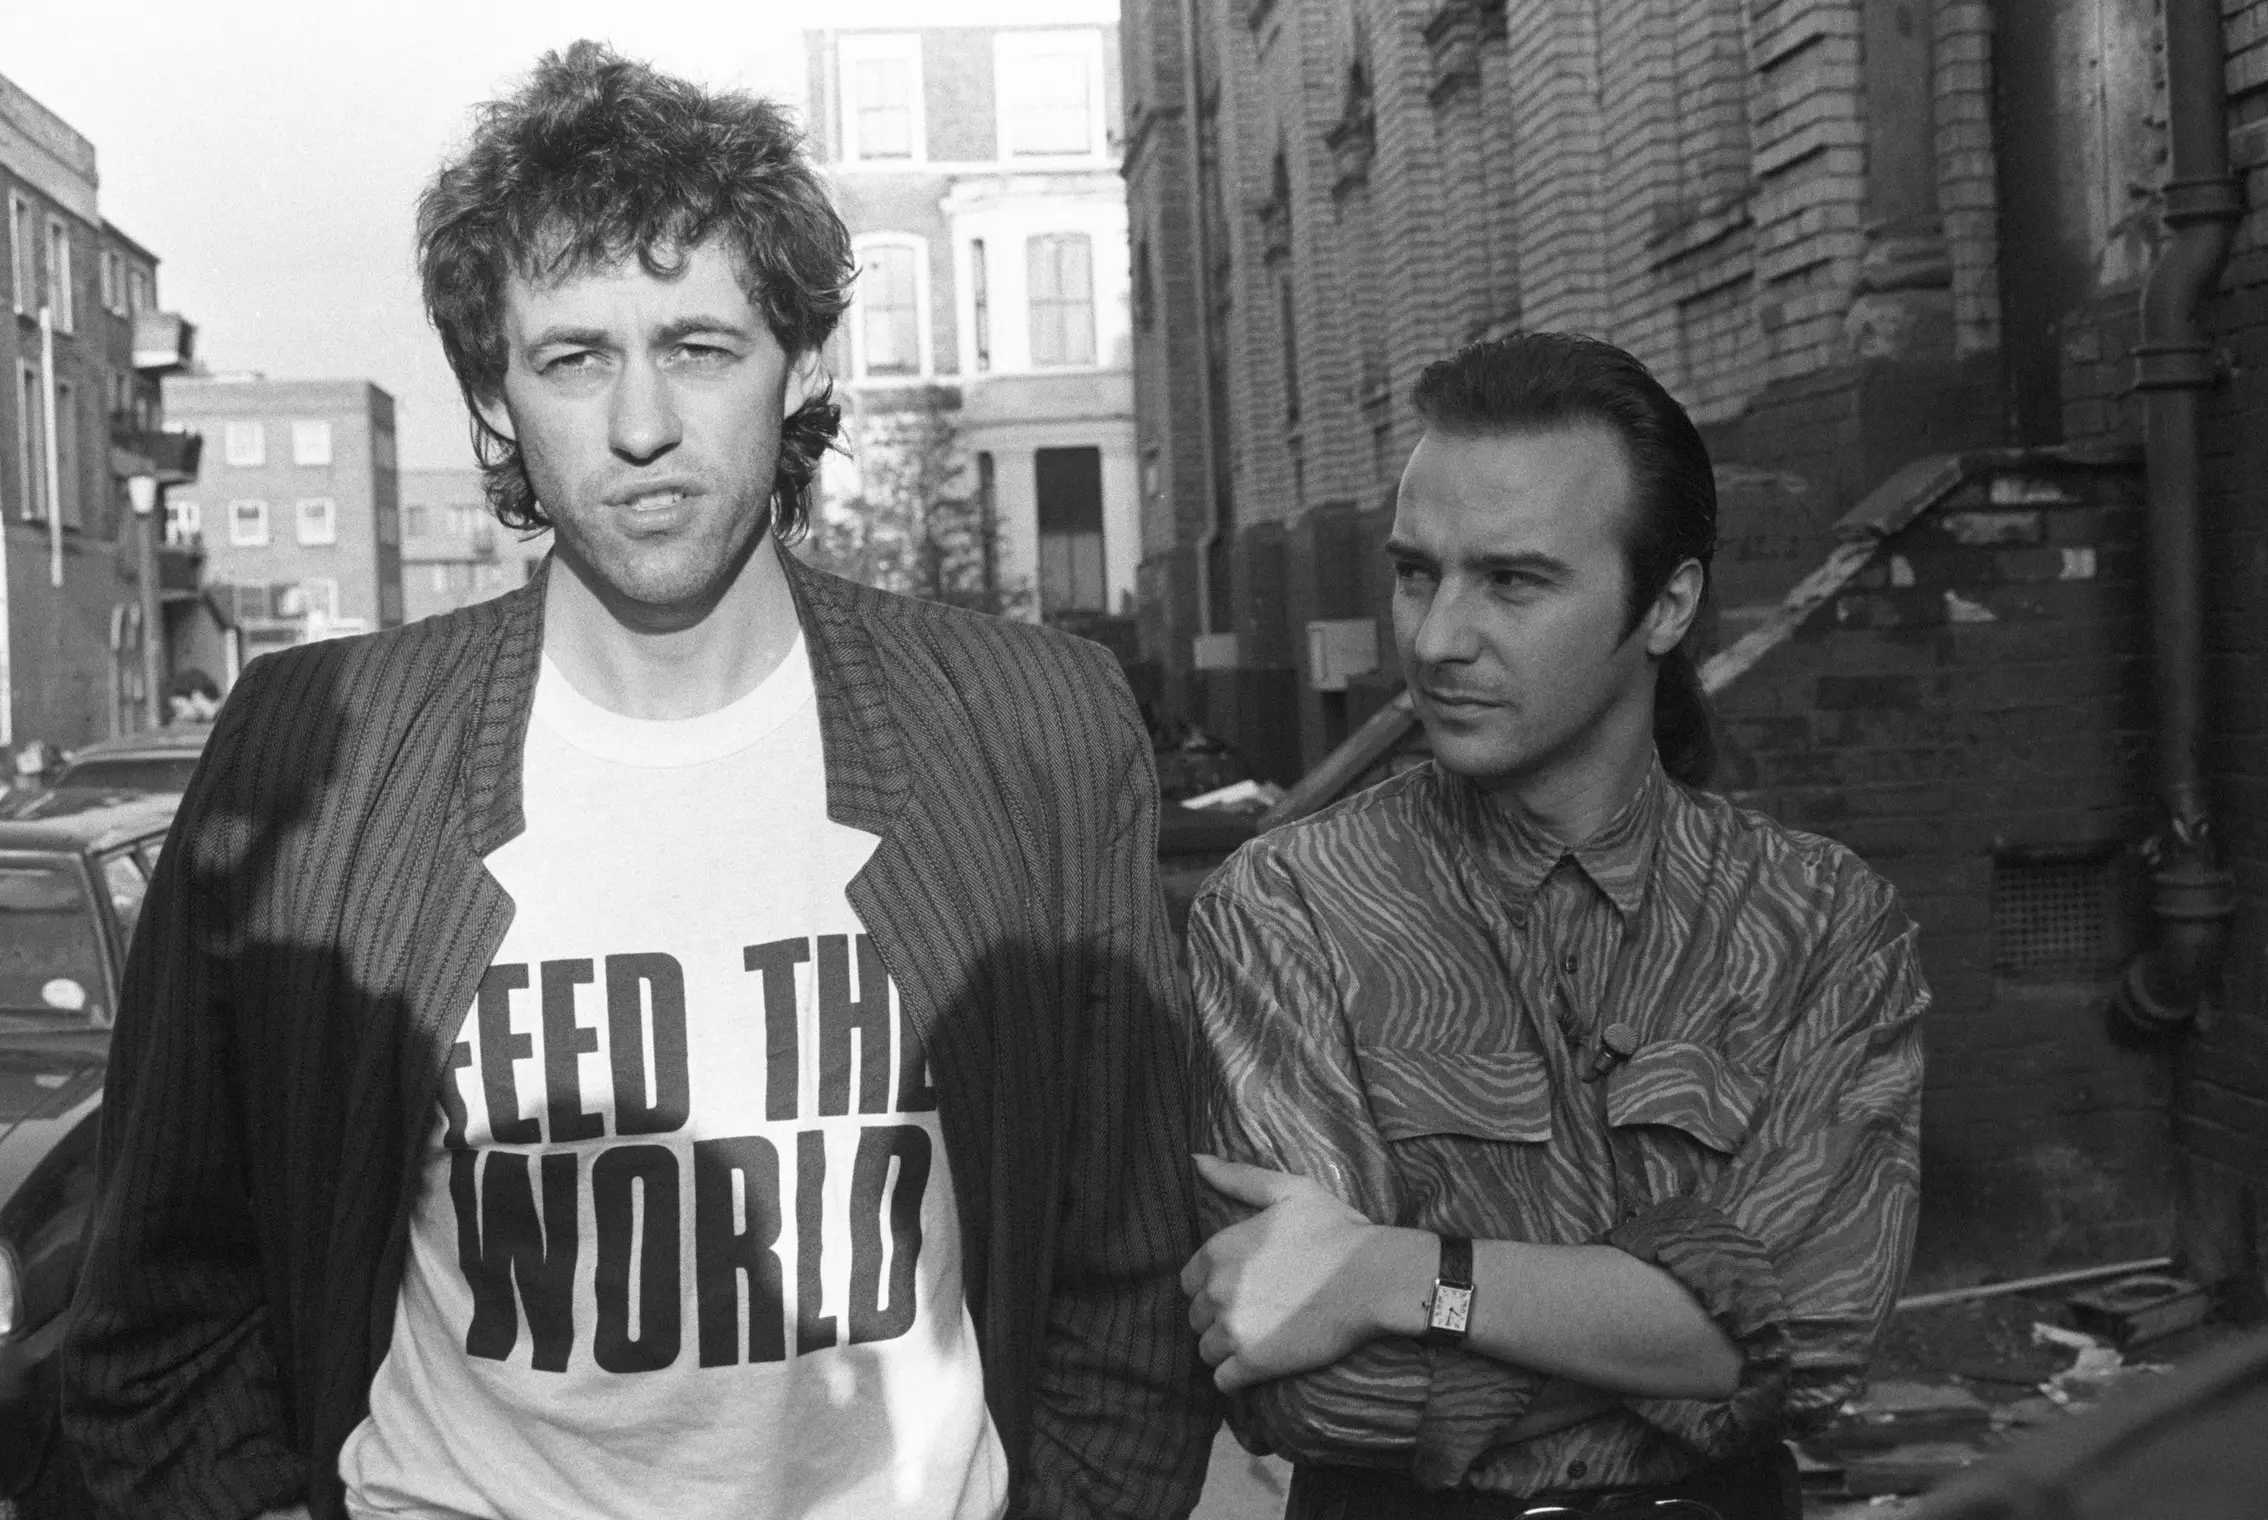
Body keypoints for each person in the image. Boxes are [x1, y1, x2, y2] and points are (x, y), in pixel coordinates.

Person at [63, 43, 1212, 1520]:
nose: (642, 424)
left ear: (797, 365)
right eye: (575, 356)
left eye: (700, 345)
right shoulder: (318, 750)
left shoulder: (1029, 734)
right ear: (498, 400)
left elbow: (1128, 1276)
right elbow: (163, 1298)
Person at [1180, 332, 1928, 1519]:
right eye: (1418, 572)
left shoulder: (1815, 918)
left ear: (1668, 600)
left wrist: (1400, 1270)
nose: (1434, 639)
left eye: (1514, 581)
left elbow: (1826, 1336)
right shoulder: (1291, 908)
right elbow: (1306, 1395)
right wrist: (1692, 1341)